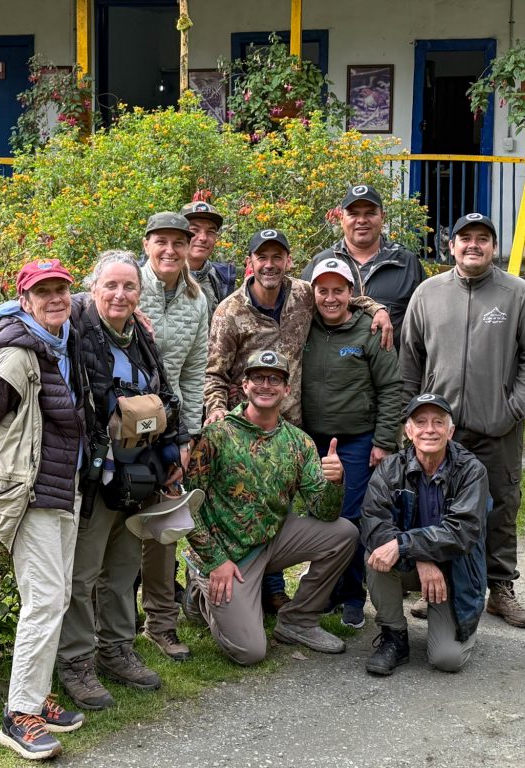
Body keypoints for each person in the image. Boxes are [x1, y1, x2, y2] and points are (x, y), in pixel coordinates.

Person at [202, 228, 393, 612]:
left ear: (289, 261)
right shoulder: (230, 311)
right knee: (247, 507)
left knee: (281, 506)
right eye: (262, 257)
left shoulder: (303, 294)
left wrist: (378, 309)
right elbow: (214, 374)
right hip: (245, 430)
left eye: (278, 257)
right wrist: (217, 413)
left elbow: (342, 296)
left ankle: (276, 590)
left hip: (292, 429)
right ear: (250, 263)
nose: (270, 265)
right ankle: (229, 583)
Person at [0, 259, 88, 760]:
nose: (55, 298)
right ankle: (19, 716)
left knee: (56, 598)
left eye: (61, 289)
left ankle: (37, 697)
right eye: (44, 291)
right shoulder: (17, 356)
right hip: (31, 496)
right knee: (44, 600)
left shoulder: (59, 344)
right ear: (25, 301)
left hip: (62, 491)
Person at [400, 212, 525, 628]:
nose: (473, 245)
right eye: (465, 238)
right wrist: (413, 420)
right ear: (451, 246)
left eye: (483, 238)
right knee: (436, 507)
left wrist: (512, 408)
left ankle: (500, 587)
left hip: (498, 428)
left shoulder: (517, 294)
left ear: (494, 247)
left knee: (501, 505)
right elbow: (409, 360)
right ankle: (439, 586)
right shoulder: (427, 294)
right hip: (439, 432)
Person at [57, 250, 190, 710]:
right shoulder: (76, 325)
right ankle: (76, 661)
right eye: (110, 285)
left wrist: (173, 449)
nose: (119, 294)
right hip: (94, 475)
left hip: (137, 473)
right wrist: (78, 300)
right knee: (82, 575)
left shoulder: (140, 336)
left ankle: (116, 650)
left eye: (129, 286)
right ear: (92, 289)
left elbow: (164, 393)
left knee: (122, 569)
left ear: (140, 292)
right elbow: (34, 306)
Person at [183, 350, 357, 665]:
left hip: (271, 541)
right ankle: (200, 584)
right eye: (258, 378)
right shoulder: (217, 435)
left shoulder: (299, 442)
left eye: (275, 379)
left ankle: (298, 621)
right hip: (227, 554)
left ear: (287, 389)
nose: (266, 385)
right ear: (244, 386)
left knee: (344, 533)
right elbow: (187, 505)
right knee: (249, 651)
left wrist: (335, 482)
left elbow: (325, 513)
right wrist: (215, 560)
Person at [301, 258, 402, 629]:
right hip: (311, 440)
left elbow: (391, 387)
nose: (330, 298)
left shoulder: (370, 330)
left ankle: (352, 595)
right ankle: (323, 590)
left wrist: (384, 440)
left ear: (351, 293)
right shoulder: (303, 326)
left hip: (357, 441)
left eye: (338, 290)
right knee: (318, 515)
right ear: (313, 293)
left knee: (350, 517)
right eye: (323, 290)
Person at [360, 393, 489, 675]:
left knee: (447, 659)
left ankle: (453, 621)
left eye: (438, 422)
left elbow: (463, 531)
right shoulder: (390, 468)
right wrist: (420, 557)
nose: (429, 429)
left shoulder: (471, 471)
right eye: (420, 422)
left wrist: (407, 544)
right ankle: (394, 636)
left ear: (450, 432)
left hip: (454, 570)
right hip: (411, 563)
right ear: (408, 431)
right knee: (376, 553)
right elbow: (374, 523)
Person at [137, 212, 209, 661]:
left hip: (169, 428)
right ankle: (111, 627)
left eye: (178, 242)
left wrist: (188, 437)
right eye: (160, 241)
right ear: (146, 244)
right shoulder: (128, 286)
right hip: (122, 423)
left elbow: (195, 373)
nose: (169, 250)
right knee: (115, 531)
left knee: (163, 530)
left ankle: (161, 623)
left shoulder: (196, 299)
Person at [301, 184, 425, 348]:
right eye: (353, 214)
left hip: (391, 362)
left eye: (370, 213)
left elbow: (425, 322)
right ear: (341, 218)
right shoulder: (322, 263)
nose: (361, 220)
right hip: (332, 361)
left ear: (382, 216)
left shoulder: (406, 263)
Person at [180, 200, 237, 318]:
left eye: (210, 232)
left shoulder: (221, 279)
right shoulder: (160, 276)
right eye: (194, 230)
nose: (203, 238)